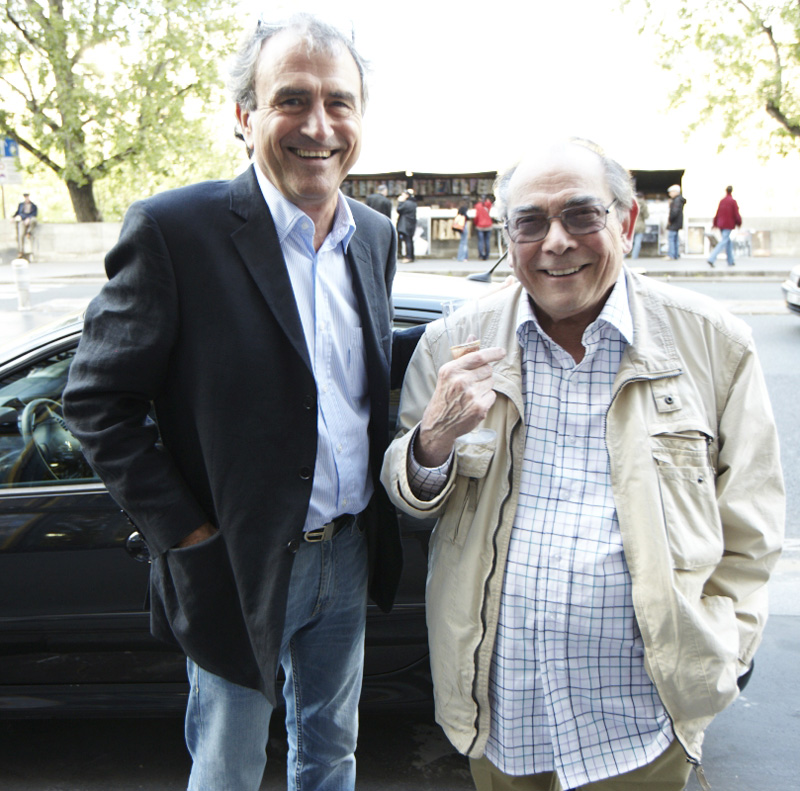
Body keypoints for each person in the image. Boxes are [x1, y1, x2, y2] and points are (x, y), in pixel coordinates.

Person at [63, 14, 402, 791]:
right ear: (245, 115)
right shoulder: (176, 230)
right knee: (228, 768)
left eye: (339, 102)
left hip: (347, 550)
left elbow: (354, 375)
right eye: (292, 99)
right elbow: (95, 400)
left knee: (332, 755)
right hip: (236, 561)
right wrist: (189, 533)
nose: (319, 125)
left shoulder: (374, 236)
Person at [382, 139, 784, 791]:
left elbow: (753, 529)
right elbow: (413, 495)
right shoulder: (454, 344)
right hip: (501, 712)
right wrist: (433, 439)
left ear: (626, 221)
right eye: (531, 222)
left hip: (642, 722)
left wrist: (722, 654)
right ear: (507, 237)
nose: (557, 241)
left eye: (581, 214)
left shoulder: (715, 344)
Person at [707, 185, 742, 267]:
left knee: (728, 241)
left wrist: (715, 223)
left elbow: (717, 213)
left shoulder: (722, 201)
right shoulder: (732, 201)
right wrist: (739, 222)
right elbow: (736, 214)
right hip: (728, 224)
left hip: (721, 224)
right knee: (724, 241)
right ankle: (711, 258)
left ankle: (730, 261)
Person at [396, 188, 417, 262]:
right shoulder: (413, 203)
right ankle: (411, 256)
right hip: (411, 224)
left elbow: (399, 209)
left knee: (407, 241)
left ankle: (408, 257)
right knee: (410, 240)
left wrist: (400, 202)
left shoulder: (406, 203)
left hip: (405, 224)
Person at [666, 184, 685, 259]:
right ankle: (675, 255)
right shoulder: (679, 200)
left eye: (671, 192)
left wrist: (670, 220)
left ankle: (671, 254)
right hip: (677, 222)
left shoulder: (676, 200)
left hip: (674, 222)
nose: (670, 194)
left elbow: (674, 212)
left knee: (671, 239)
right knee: (675, 239)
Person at [474, 194, 494, 260]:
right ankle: (487, 255)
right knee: (487, 241)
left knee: (481, 241)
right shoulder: (488, 205)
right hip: (488, 225)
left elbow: (476, 216)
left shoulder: (477, 206)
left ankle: (481, 255)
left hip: (480, 225)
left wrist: (476, 223)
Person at [630, 191, 648, 259]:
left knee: (628, 241)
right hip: (640, 225)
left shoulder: (631, 203)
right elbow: (646, 216)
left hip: (631, 224)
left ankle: (623, 256)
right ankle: (634, 256)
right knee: (637, 242)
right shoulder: (643, 204)